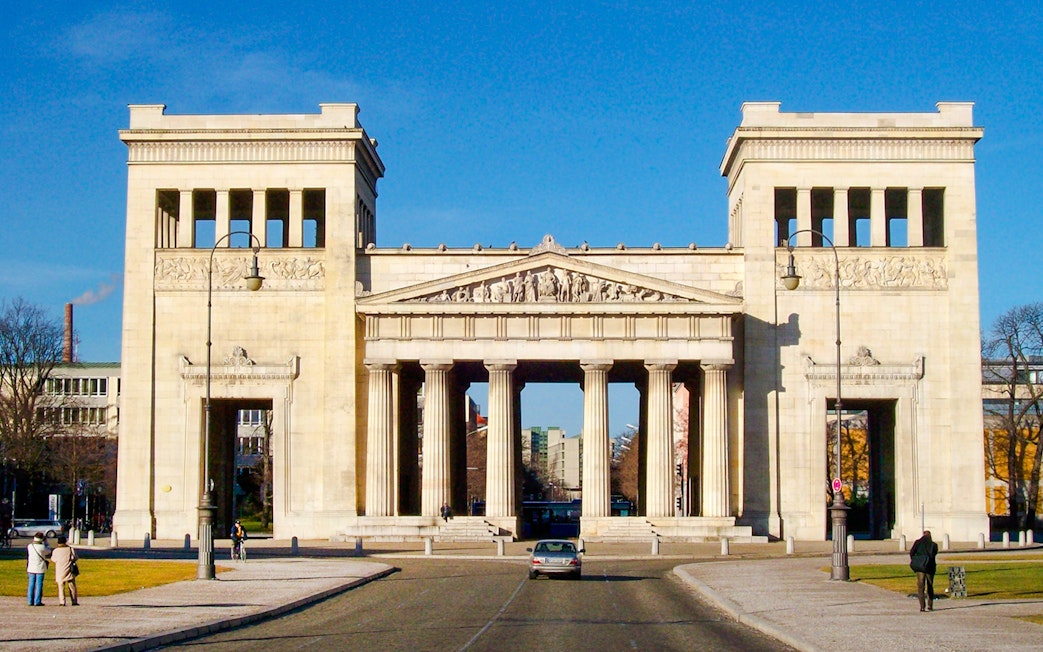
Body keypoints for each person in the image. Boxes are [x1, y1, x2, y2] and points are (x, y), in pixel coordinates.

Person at [909, 530, 939, 611]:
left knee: (921, 586)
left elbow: (911, 552)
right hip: (930, 567)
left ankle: (922, 606)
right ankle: (930, 605)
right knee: (930, 585)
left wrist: (916, 560)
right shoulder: (933, 545)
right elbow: (934, 555)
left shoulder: (918, 543)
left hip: (920, 567)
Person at [50, 534, 79, 606]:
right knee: (72, 586)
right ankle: (74, 601)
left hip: (60, 570)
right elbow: (74, 557)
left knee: (61, 586)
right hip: (69, 569)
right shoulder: (70, 549)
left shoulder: (56, 550)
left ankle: (62, 601)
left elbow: (53, 559)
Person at [26, 533, 49, 606]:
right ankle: (37, 601)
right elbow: (49, 551)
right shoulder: (42, 547)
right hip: (40, 568)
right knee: (39, 584)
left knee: (31, 584)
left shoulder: (30, 546)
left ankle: (30, 601)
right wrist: (46, 542)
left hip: (31, 567)